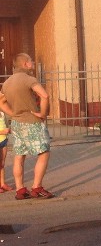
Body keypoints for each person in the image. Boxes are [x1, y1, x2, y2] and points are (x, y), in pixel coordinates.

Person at [0, 53, 53, 200]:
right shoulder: (29, 79)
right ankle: (37, 187)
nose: (33, 63)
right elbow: (44, 95)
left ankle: (20, 190)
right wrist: (42, 113)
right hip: (32, 121)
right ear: (25, 64)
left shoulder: (7, 82)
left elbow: (1, 102)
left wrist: (13, 113)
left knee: (19, 156)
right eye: (31, 61)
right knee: (44, 152)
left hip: (16, 123)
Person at [0, 105, 10, 193]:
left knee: (2, 163)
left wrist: (8, 130)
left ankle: (2, 183)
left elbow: (6, 125)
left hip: (3, 141)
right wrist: (2, 132)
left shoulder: (2, 114)